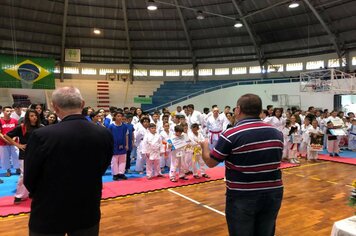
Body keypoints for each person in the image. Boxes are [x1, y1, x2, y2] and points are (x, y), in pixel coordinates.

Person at [24, 87, 113, 236]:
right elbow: (102, 167)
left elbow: (29, 177)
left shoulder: (41, 135)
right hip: (87, 206)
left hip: (49, 208)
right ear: (83, 104)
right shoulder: (103, 133)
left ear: (54, 107)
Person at [200, 94, 284, 236]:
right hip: (272, 193)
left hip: (243, 195)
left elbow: (210, 162)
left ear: (238, 110)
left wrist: (205, 146)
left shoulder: (231, 134)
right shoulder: (277, 133)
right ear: (260, 111)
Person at [4, 109, 42, 204]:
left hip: (37, 154)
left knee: (36, 174)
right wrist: (17, 145)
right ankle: (18, 195)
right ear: (27, 117)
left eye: (36, 115)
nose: (34, 117)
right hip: (25, 154)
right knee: (24, 175)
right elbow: (6, 135)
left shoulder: (41, 127)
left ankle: (31, 192)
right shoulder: (22, 127)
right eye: (32, 115)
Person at [0, 106, 20, 179]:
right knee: (4, 157)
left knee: (16, 155)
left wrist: (13, 140)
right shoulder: (0, 121)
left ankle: (18, 168)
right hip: (3, 142)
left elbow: (17, 131)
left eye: (10, 111)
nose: (9, 113)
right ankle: (8, 170)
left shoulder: (15, 121)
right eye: (7, 111)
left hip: (14, 142)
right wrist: (6, 140)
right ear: (3, 111)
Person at [108, 112, 129, 181]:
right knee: (114, 161)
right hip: (114, 146)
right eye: (118, 116)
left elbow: (126, 135)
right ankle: (115, 174)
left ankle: (121, 173)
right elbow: (108, 136)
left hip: (122, 145)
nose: (120, 117)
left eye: (121, 116)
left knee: (123, 160)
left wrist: (126, 144)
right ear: (115, 117)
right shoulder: (111, 126)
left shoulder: (125, 126)